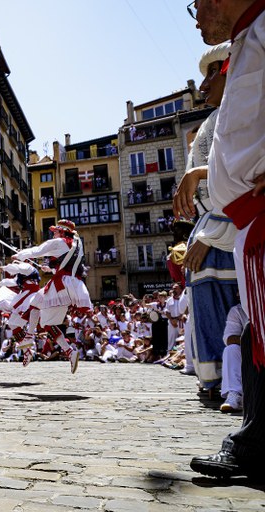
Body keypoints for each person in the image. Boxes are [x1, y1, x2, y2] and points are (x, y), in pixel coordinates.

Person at [180, 1, 265, 479]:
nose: (195, 14)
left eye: (198, 0)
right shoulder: (252, 38)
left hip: (242, 222)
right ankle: (254, 437)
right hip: (244, 223)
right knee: (255, 333)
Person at [179, 42, 238, 387]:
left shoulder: (240, 111)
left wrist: (209, 233)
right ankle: (219, 380)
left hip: (226, 227)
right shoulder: (214, 118)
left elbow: (238, 177)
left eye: (212, 73)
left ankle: (234, 383)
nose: (203, 85)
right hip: (211, 228)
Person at [12, 220, 92, 373]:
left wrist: (20, 255)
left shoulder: (59, 242)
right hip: (73, 285)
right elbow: (68, 265)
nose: (53, 233)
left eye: (55, 231)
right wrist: (50, 269)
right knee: (45, 318)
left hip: (61, 285)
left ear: (62, 232)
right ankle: (69, 351)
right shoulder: (77, 243)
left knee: (37, 306)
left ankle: (29, 336)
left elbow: (39, 250)